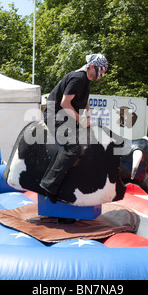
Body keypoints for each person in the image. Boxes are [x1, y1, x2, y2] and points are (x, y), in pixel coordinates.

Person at [40, 54, 109, 203]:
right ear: (92, 67)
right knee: (72, 147)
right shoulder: (78, 78)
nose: (101, 76)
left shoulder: (86, 81)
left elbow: (85, 103)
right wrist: (82, 120)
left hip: (66, 118)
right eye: (101, 72)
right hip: (55, 116)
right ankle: (49, 184)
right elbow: (65, 103)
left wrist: (89, 119)